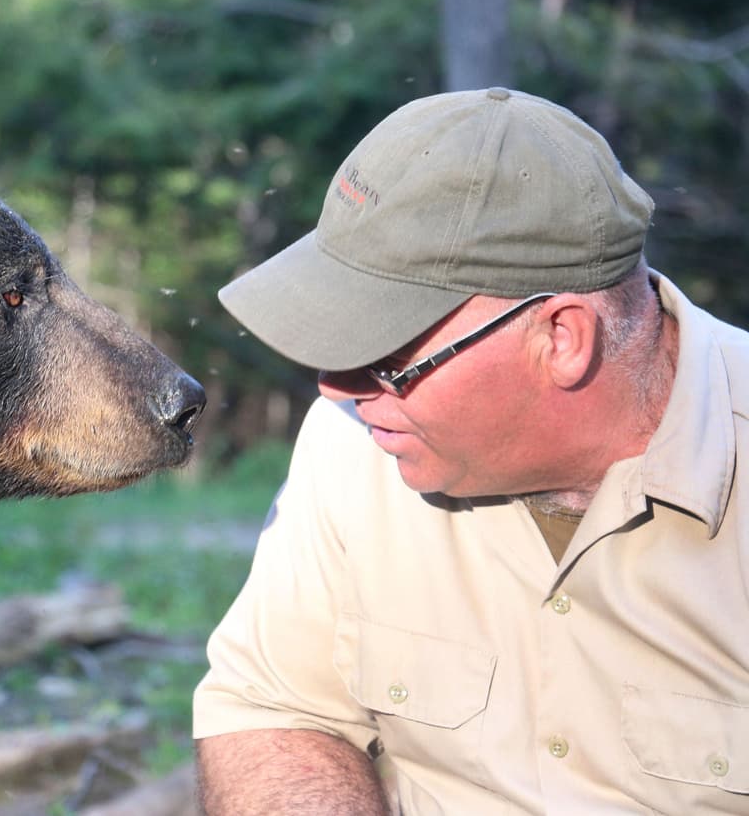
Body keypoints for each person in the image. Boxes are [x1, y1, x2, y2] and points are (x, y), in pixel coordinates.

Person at [193, 87, 749, 815]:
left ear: (563, 338)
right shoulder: (359, 437)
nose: (338, 391)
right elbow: (273, 707)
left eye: (384, 356)